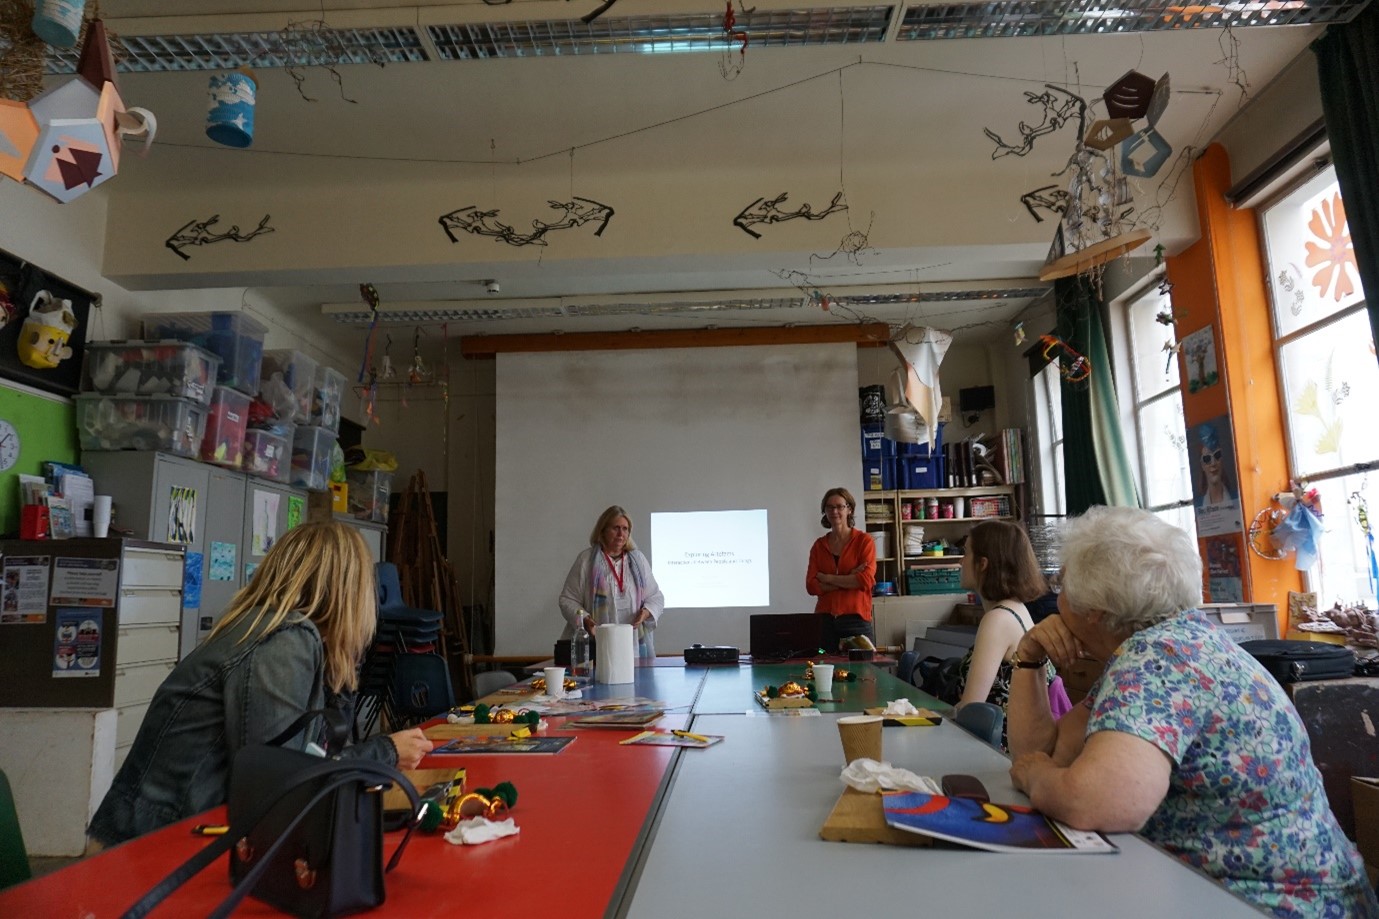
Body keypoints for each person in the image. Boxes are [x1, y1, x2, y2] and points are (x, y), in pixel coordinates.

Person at [1006, 506, 1378, 919]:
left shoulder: (1157, 658)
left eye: (1063, 585)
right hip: (1244, 894)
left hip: (1274, 905)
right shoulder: (1176, 644)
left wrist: (1037, 777)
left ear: (1093, 609)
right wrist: (1029, 658)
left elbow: (1099, 802)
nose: (1056, 599)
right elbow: (1042, 749)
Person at [88, 522, 433, 848]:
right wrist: (385, 752)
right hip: (163, 843)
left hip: (179, 830)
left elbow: (319, 752)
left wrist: (341, 665)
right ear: (347, 591)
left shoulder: (282, 634)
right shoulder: (282, 640)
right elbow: (281, 782)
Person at [948, 520, 1054, 748]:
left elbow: (970, 709)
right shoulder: (1017, 609)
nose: (960, 561)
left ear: (982, 564)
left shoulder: (997, 620)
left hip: (1000, 750)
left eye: (966, 553)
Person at [559, 505, 665, 658]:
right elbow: (567, 600)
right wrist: (586, 620)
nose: (621, 534)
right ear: (602, 530)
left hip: (632, 646)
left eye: (625, 529)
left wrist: (646, 612)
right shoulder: (586, 560)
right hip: (595, 646)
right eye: (616, 528)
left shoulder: (638, 560)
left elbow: (656, 597)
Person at [806, 487, 877, 652]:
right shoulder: (818, 546)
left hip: (856, 620)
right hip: (825, 621)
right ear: (824, 511)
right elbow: (811, 586)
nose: (834, 511)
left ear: (849, 509)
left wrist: (828, 578)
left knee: (864, 673)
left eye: (840, 506)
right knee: (824, 669)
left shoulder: (864, 541)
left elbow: (865, 581)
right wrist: (849, 578)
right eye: (829, 507)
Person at [1195, 422, 1238, 509]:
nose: (1213, 463)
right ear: (1202, 465)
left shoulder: (1237, 499)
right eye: (1207, 459)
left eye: (1217, 455)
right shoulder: (1198, 506)